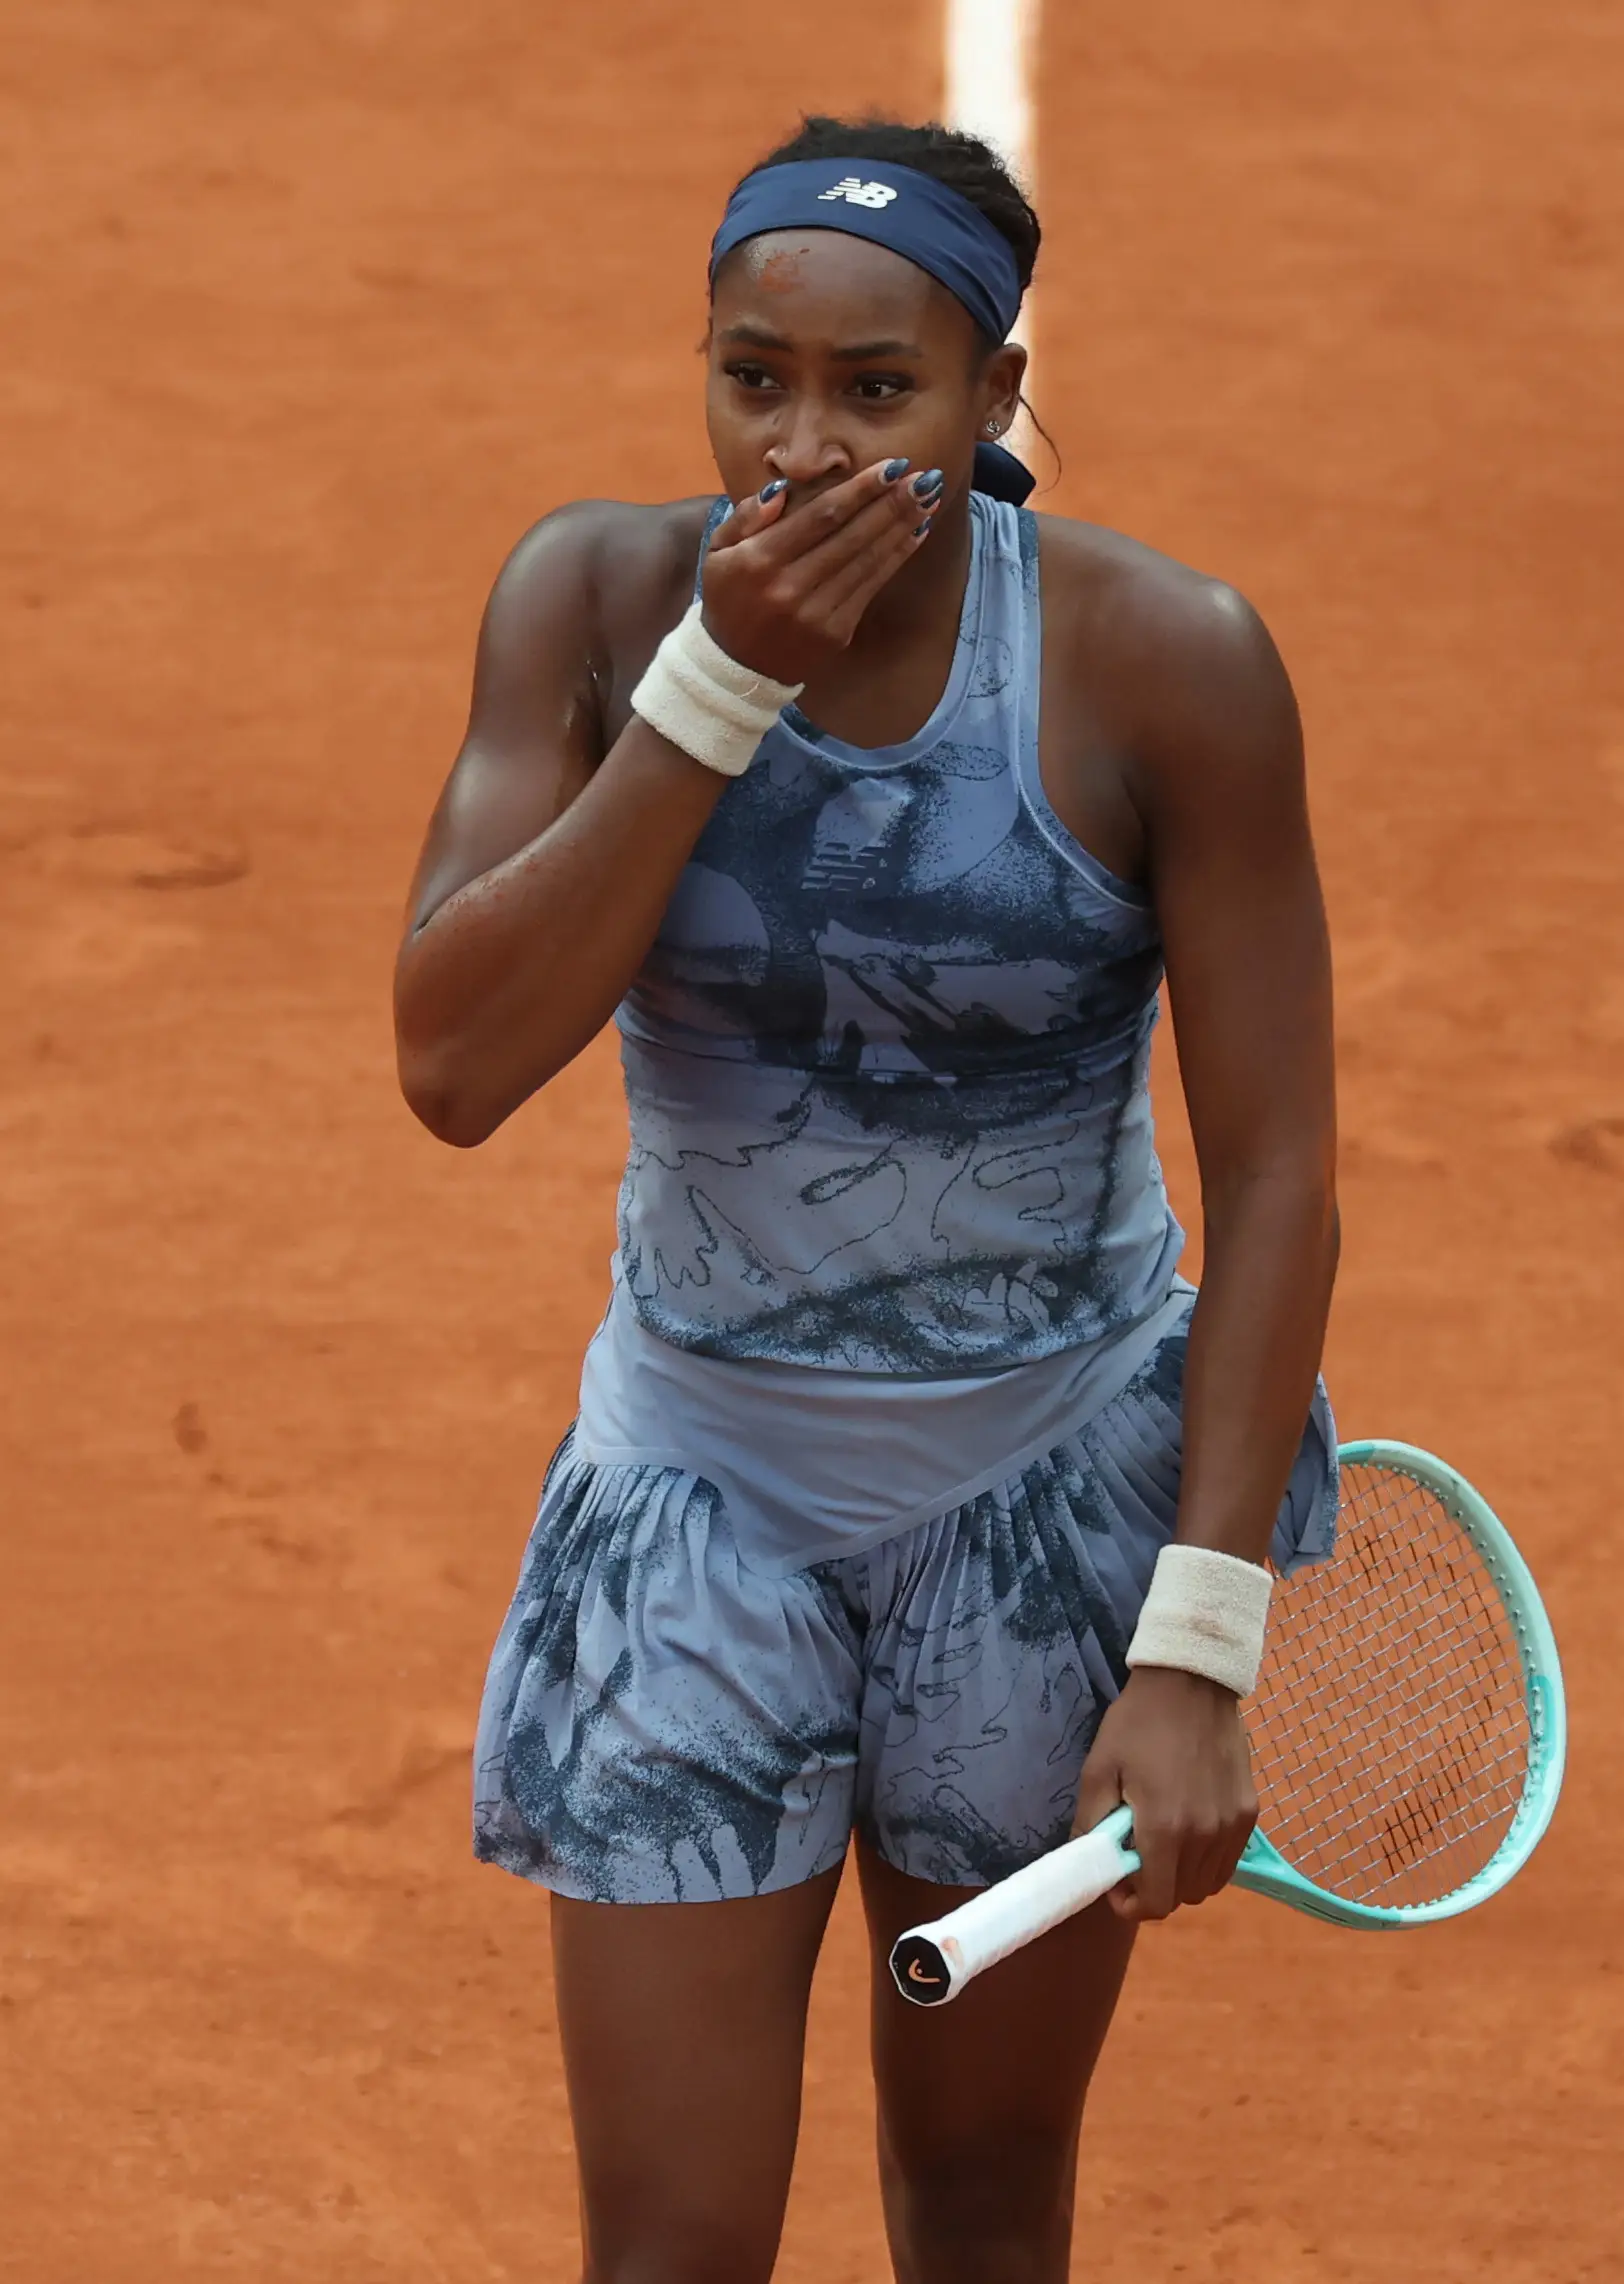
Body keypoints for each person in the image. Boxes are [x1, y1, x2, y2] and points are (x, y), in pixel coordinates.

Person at [393, 116, 1341, 2283]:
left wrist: (1198, 1643)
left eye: (878, 390)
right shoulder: (592, 602)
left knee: (984, 2206)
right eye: (754, 378)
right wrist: (715, 683)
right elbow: (453, 1061)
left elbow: (1280, 1169)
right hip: (695, 1512)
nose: (803, 446)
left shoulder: (1165, 663)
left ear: (998, 392)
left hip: (1040, 1512)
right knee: (671, 2245)